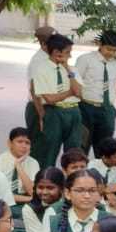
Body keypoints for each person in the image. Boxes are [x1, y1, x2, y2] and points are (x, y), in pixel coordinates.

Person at [31, 34, 81, 169]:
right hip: (54, 112)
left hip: (74, 111)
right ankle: (48, 179)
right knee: (49, 150)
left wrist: (68, 70)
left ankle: (73, 180)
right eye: (67, 52)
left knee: (74, 151)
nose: (70, 56)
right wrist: (70, 92)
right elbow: (50, 99)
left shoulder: (72, 69)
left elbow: (80, 92)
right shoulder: (41, 70)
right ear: (56, 52)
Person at [74, 30, 116, 155]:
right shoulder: (85, 59)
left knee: (105, 146)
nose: (111, 53)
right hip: (86, 108)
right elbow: (75, 78)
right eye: (108, 49)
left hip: (106, 109)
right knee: (82, 144)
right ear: (100, 44)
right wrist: (80, 96)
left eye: (115, 50)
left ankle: (101, 172)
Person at [19, 168, 64, 232]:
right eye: (40, 187)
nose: (44, 192)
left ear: (61, 189)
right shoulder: (29, 209)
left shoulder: (68, 205)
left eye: (50, 188)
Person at [24, 26, 56, 168]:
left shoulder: (50, 58)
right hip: (39, 108)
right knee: (38, 150)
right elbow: (34, 90)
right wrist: (42, 115)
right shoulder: (39, 61)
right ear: (43, 44)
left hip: (48, 107)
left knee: (49, 148)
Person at [0, 128, 40, 208]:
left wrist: (18, 165)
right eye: (20, 142)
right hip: (3, 203)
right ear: (9, 143)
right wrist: (28, 199)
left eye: (27, 143)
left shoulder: (33, 163)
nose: (24, 146)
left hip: (27, 202)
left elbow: (32, 191)